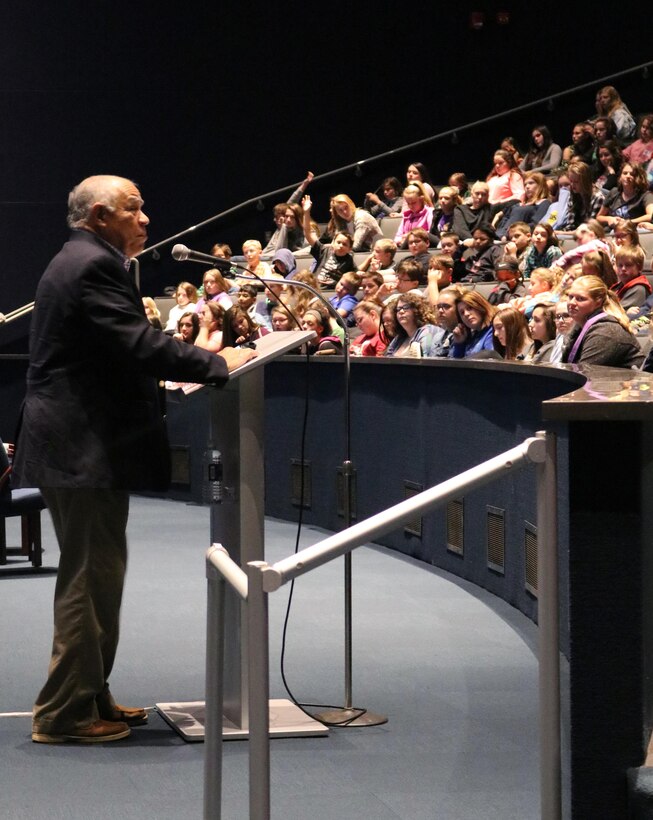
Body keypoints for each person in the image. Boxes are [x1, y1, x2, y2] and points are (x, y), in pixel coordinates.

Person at [12, 175, 255, 745]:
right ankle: (64, 714)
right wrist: (217, 360)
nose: (146, 219)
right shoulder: (91, 265)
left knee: (99, 575)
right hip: (78, 446)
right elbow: (137, 344)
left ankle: (90, 694)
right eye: (135, 209)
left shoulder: (84, 259)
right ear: (100, 215)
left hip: (79, 445)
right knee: (88, 579)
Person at [562, 274, 643, 367]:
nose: (572, 303)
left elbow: (586, 374)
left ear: (598, 301)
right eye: (570, 297)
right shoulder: (580, 326)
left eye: (580, 299)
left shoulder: (606, 332)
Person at [301, 195, 356, 287]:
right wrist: (306, 212)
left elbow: (356, 275)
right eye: (338, 242)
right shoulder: (324, 250)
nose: (341, 246)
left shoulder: (349, 261)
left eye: (345, 244)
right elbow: (307, 233)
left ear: (349, 249)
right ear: (333, 243)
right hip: (315, 289)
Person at [384, 293, 444, 358]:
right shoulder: (399, 338)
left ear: (417, 310)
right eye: (398, 309)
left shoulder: (428, 332)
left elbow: (426, 359)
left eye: (406, 307)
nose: (401, 311)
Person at [597, 163, 653, 229]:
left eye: (632, 174)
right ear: (620, 176)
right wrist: (609, 219)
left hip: (634, 232)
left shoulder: (645, 195)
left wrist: (628, 222)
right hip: (613, 232)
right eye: (625, 173)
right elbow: (599, 217)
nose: (628, 176)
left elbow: (650, 216)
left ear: (639, 177)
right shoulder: (614, 192)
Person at [451, 291, 497, 358]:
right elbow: (458, 365)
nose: (466, 314)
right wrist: (460, 344)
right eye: (462, 312)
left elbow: (491, 360)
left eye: (470, 308)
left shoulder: (494, 331)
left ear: (481, 306)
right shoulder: (472, 336)